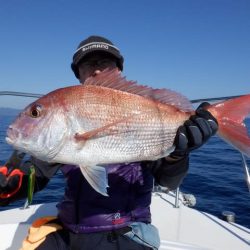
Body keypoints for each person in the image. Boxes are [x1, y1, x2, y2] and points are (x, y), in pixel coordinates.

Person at [0, 36, 218, 250]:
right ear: (78, 74)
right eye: (87, 64)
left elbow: (169, 181)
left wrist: (177, 154)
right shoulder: (58, 135)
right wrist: (8, 185)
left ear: (118, 69)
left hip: (126, 231)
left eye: (104, 62)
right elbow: (35, 175)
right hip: (68, 229)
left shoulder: (140, 106)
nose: (96, 70)